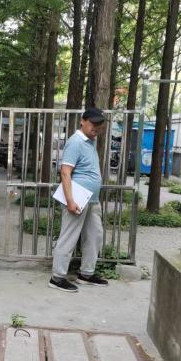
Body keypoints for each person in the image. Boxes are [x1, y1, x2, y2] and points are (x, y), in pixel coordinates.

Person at [49, 107, 109, 292]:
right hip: (77, 199)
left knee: (95, 236)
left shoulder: (90, 142)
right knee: (69, 237)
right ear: (83, 121)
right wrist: (70, 200)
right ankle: (57, 278)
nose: (96, 127)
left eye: (100, 124)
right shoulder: (75, 142)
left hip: (91, 199)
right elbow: (65, 172)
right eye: (93, 123)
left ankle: (87, 274)